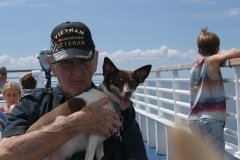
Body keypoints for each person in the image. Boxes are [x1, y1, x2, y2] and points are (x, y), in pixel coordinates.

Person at [0, 21, 147, 160]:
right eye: (66, 63)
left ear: (95, 61)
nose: (77, 72)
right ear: (51, 65)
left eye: (83, 61)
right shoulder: (33, 103)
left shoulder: (122, 109)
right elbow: (4, 154)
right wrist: (75, 124)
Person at [188, 27, 240, 158]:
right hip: (210, 120)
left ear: (199, 50)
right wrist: (220, 55)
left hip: (194, 118)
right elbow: (236, 52)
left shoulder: (195, 64)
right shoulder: (212, 61)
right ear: (217, 49)